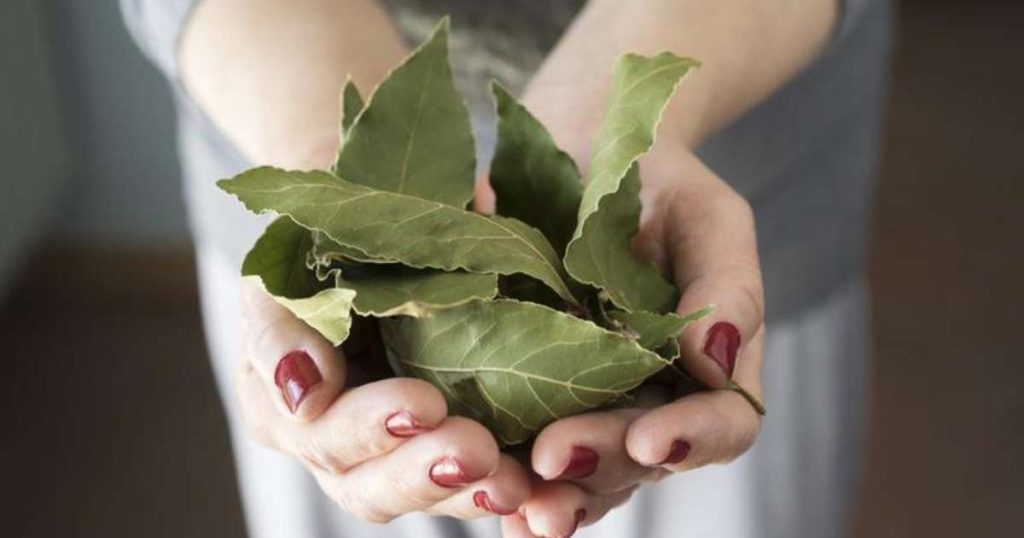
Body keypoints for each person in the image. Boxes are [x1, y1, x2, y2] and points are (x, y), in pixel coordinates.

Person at [120, 0, 892, 536]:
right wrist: (324, 166)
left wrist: (629, 110)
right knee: (362, 454)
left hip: (723, 138)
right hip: (277, 88)